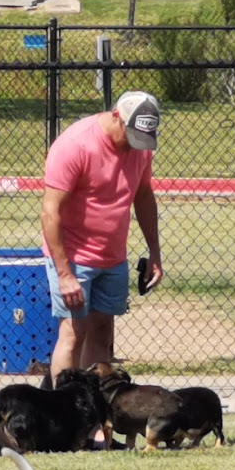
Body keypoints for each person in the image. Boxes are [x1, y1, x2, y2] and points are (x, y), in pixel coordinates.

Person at [41, 88, 163, 380]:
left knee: (101, 332)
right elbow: (50, 211)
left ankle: (93, 412)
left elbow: (144, 196)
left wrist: (155, 254)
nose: (136, 146)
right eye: (132, 135)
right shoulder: (75, 145)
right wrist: (64, 273)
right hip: (74, 258)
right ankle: (65, 416)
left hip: (112, 258)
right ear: (117, 117)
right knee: (73, 333)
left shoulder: (141, 148)